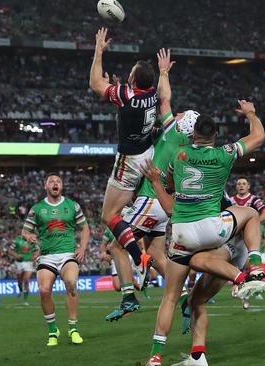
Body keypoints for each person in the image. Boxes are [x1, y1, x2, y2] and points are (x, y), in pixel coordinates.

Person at [144, 101, 265, 366]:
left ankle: (155, 358)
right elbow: (259, 136)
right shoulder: (223, 153)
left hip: (182, 234)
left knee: (170, 297)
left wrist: (158, 183)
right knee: (249, 212)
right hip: (212, 230)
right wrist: (250, 112)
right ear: (215, 136)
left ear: (193, 136)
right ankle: (255, 265)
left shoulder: (177, 157)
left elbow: (170, 207)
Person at [105, 49, 195, 322]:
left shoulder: (170, 130)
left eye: (181, 115)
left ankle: (128, 296)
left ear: (182, 124)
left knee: (114, 246)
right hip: (164, 204)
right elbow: (151, 110)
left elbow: (164, 101)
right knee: (157, 253)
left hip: (150, 198)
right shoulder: (183, 145)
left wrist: (164, 73)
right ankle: (185, 301)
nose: (176, 113)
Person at [89, 27, 157, 283]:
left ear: (133, 82)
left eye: (130, 76)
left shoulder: (126, 96)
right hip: (147, 154)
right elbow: (132, 93)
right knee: (130, 207)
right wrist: (119, 85)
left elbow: (95, 83)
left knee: (109, 215)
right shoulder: (151, 93)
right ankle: (146, 256)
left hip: (129, 161)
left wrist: (98, 50)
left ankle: (139, 257)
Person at [22, 172, 90, 346]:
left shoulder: (72, 205)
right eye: (51, 181)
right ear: (46, 186)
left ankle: (73, 329)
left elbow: (85, 228)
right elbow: (25, 231)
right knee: (44, 291)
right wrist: (28, 237)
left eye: (58, 181)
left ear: (61, 186)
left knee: (71, 284)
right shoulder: (37, 208)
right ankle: (53, 330)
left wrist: (82, 248)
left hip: (68, 254)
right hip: (46, 256)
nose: (55, 183)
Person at [229, 176, 265, 308]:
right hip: (235, 237)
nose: (241, 186)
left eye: (244, 184)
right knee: (236, 265)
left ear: (248, 186)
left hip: (249, 237)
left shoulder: (254, 200)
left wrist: (252, 224)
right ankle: (241, 288)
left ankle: (246, 295)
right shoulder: (231, 200)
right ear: (236, 186)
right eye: (239, 184)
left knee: (251, 265)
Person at [10, 235, 38, 306]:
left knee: (26, 280)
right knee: (19, 281)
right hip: (18, 263)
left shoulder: (32, 240)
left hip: (28, 262)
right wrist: (16, 255)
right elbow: (11, 250)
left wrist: (35, 256)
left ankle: (25, 299)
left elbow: (37, 250)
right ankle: (20, 291)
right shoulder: (17, 240)